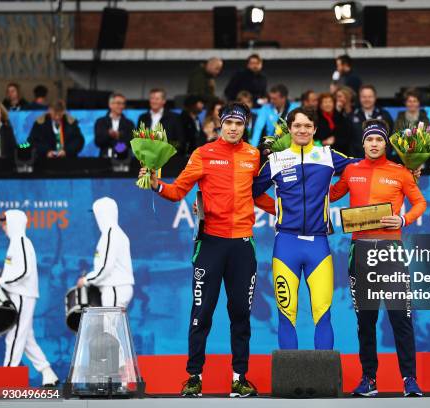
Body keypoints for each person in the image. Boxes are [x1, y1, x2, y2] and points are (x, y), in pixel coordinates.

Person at [140, 103, 274, 398]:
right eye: (228, 123)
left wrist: (286, 212)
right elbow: (177, 192)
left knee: (241, 314)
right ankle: (193, 377)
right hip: (210, 244)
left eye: (239, 124)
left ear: (245, 127)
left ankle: (240, 378)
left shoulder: (253, 156)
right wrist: (156, 184)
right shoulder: (203, 154)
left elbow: (258, 197)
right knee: (202, 313)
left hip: (242, 246)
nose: (233, 128)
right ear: (219, 124)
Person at [329, 119, 427, 398]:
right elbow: (330, 195)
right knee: (366, 320)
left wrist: (403, 218)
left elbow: (420, 202)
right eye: (370, 140)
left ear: (386, 144)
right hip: (359, 251)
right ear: (363, 143)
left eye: (379, 140)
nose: (374, 144)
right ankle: (369, 379)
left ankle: (409, 379)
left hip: (391, 250)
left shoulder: (400, 172)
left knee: (400, 317)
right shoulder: (351, 170)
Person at [252, 107, 359, 350]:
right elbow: (251, 193)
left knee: (322, 312)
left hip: (318, 245)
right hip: (286, 244)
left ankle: (324, 381)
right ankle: (290, 385)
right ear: (289, 129)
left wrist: (407, 170)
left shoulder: (327, 155)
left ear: (315, 129)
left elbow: (360, 167)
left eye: (307, 126)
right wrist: (278, 211)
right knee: (286, 313)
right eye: (297, 126)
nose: (302, 130)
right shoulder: (275, 161)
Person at [0, 210, 59, 387]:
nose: (3, 226)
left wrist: (0, 280)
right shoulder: (16, 243)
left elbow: (23, 271)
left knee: (14, 336)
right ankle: (48, 373)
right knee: (26, 337)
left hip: (22, 295)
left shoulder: (21, 242)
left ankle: (7, 378)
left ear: (14, 223)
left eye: (6, 222)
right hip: (20, 294)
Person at [77, 197, 134, 308]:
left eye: (96, 214)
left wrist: (86, 280)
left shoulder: (110, 235)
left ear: (102, 214)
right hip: (117, 287)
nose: (95, 218)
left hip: (114, 287)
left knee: (109, 325)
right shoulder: (115, 234)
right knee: (113, 324)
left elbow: (105, 267)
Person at [350, 85, 393, 157]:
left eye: (370, 97)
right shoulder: (352, 116)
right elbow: (349, 140)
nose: (367, 99)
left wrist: (386, 155)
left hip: (381, 161)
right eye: (364, 97)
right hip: (357, 160)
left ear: (375, 98)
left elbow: (391, 137)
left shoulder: (384, 115)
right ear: (359, 98)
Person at [137, 88, 184, 153]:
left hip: (166, 158)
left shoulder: (174, 118)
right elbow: (137, 139)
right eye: (152, 98)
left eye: (157, 99)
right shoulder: (143, 117)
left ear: (164, 101)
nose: (154, 101)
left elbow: (180, 142)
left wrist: (164, 147)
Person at [94, 93, 134, 158]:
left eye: (123, 104)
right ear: (110, 104)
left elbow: (130, 142)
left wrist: (118, 148)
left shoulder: (129, 123)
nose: (121, 106)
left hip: (123, 159)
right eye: (118, 103)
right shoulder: (100, 122)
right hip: (104, 158)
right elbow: (98, 141)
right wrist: (108, 134)